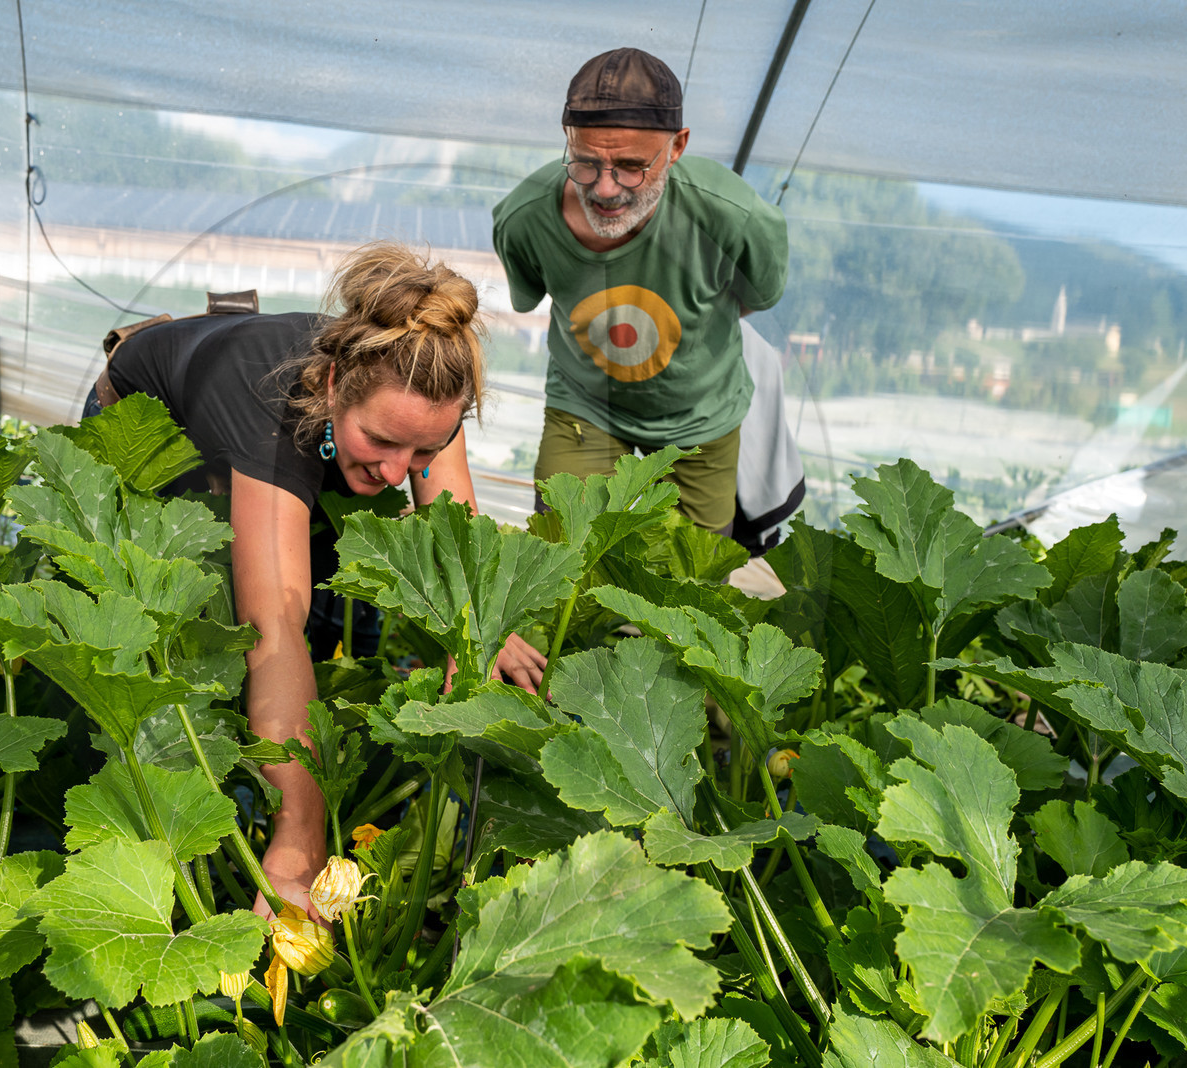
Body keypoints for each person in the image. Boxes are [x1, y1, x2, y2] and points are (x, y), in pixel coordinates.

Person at [80, 242, 545, 918]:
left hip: (303, 437)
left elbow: (458, 538)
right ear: (332, 387)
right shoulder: (266, 417)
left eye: (421, 449)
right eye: (381, 442)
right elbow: (275, 628)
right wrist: (301, 840)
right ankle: (221, 817)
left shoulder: (423, 386)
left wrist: (480, 629)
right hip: (158, 436)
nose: (397, 470)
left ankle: (288, 767)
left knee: (315, 609)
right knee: (203, 640)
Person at [492, 47, 792, 538]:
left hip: (701, 417)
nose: (606, 189)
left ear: (677, 147)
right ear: (567, 140)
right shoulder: (525, 217)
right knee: (560, 560)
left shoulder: (735, 218)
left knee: (688, 586)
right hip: (583, 404)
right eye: (585, 163)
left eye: (632, 166)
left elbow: (757, 294)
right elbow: (529, 293)